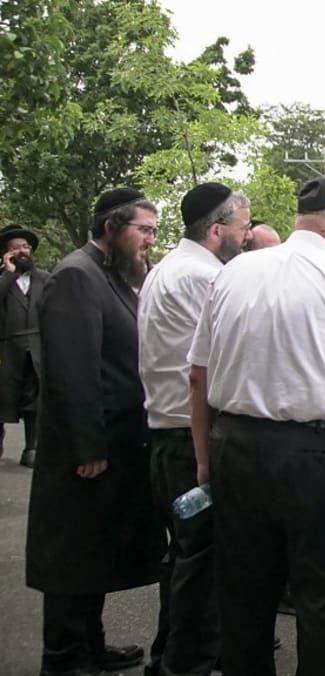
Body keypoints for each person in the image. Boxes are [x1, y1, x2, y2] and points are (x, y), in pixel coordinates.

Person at [187, 177, 325, 676]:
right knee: (322, 598)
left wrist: (203, 460)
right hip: (319, 458)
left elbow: (198, 375)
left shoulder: (234, 273)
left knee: (243, 595)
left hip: (237, 448)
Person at [27, 187, 166, 676]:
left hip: (114, 440)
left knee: (94, 552)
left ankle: (90, 644)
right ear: (111, 226)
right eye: (143, 230)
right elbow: (73, 370)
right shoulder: (76, 275)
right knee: (72, 554)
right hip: (84, 448)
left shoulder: (107, 274)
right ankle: (65, 657)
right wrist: (89, 445)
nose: (150, 240)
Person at [138, 183, 252, 676]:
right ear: (216, 230)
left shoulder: (166, 268)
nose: (247, 237)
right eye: (243, 228)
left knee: (184, 555)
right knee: (202, 562)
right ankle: (187, 664)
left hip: (168, 433)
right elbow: (210, 366)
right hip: (191, 437)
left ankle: (170, 653)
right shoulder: (204, 276)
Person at [0, 223, 49, 468]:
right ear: (6, 253)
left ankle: (32, 448)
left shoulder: (45, 279)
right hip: (7, 350)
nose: (22, 251)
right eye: (15, 247)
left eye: (25, 246)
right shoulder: (3, 280)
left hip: (37, 350)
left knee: (35, 401)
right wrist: (8, 275)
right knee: (2, 398)